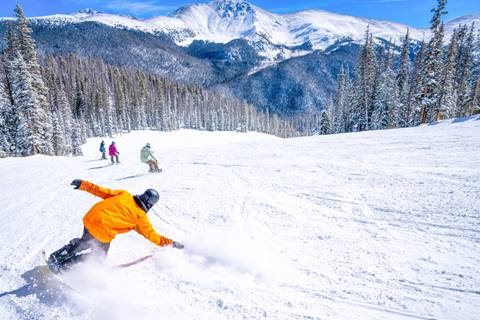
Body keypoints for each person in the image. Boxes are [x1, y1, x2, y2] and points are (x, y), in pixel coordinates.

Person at [47, 179, 184, 273]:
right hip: (102, 230)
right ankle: (64, 266)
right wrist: (171, 243)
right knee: (98, 256)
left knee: (86, 242)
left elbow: (102, 191)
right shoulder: (140, 218)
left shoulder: (125, 194)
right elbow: (153, 236)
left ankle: (57, 257)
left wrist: (84, 184)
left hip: (91, 218)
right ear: (151, 204)